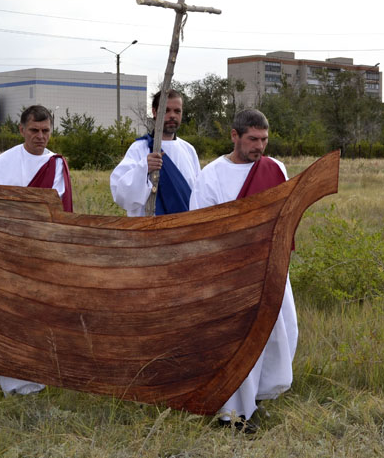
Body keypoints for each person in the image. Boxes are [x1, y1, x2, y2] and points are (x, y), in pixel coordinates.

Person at [188, 108, 297, 434]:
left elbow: (286, 216)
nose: (259, 146)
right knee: (240, 342)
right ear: (234, 136)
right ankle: (232, 416)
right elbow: (200, 227)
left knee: (282, 333)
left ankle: (256, 400)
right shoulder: (212, 175)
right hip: (233, 274)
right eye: (252, 139)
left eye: (264, 139)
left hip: (272, 267)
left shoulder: (275, 168)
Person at [0, 104, 73, 395]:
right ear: (21, 130)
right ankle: (3, 373)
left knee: (37, 315)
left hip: (41, 252)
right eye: (34, 130)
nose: (40, 136)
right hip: (8, 251)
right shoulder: (1, 164)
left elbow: (57, 212)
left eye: (45, 130)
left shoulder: (56, 165)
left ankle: (34, 378)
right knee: (7, 314)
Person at [110, 89, 200, 216]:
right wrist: (144, 168)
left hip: (184, 225)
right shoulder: (139, 149)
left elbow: (198, 195)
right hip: (148, 226)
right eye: (166, 110)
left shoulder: (189, 150)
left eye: (177, 111)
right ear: (154, 112)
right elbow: (122, 195)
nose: (172, 115)